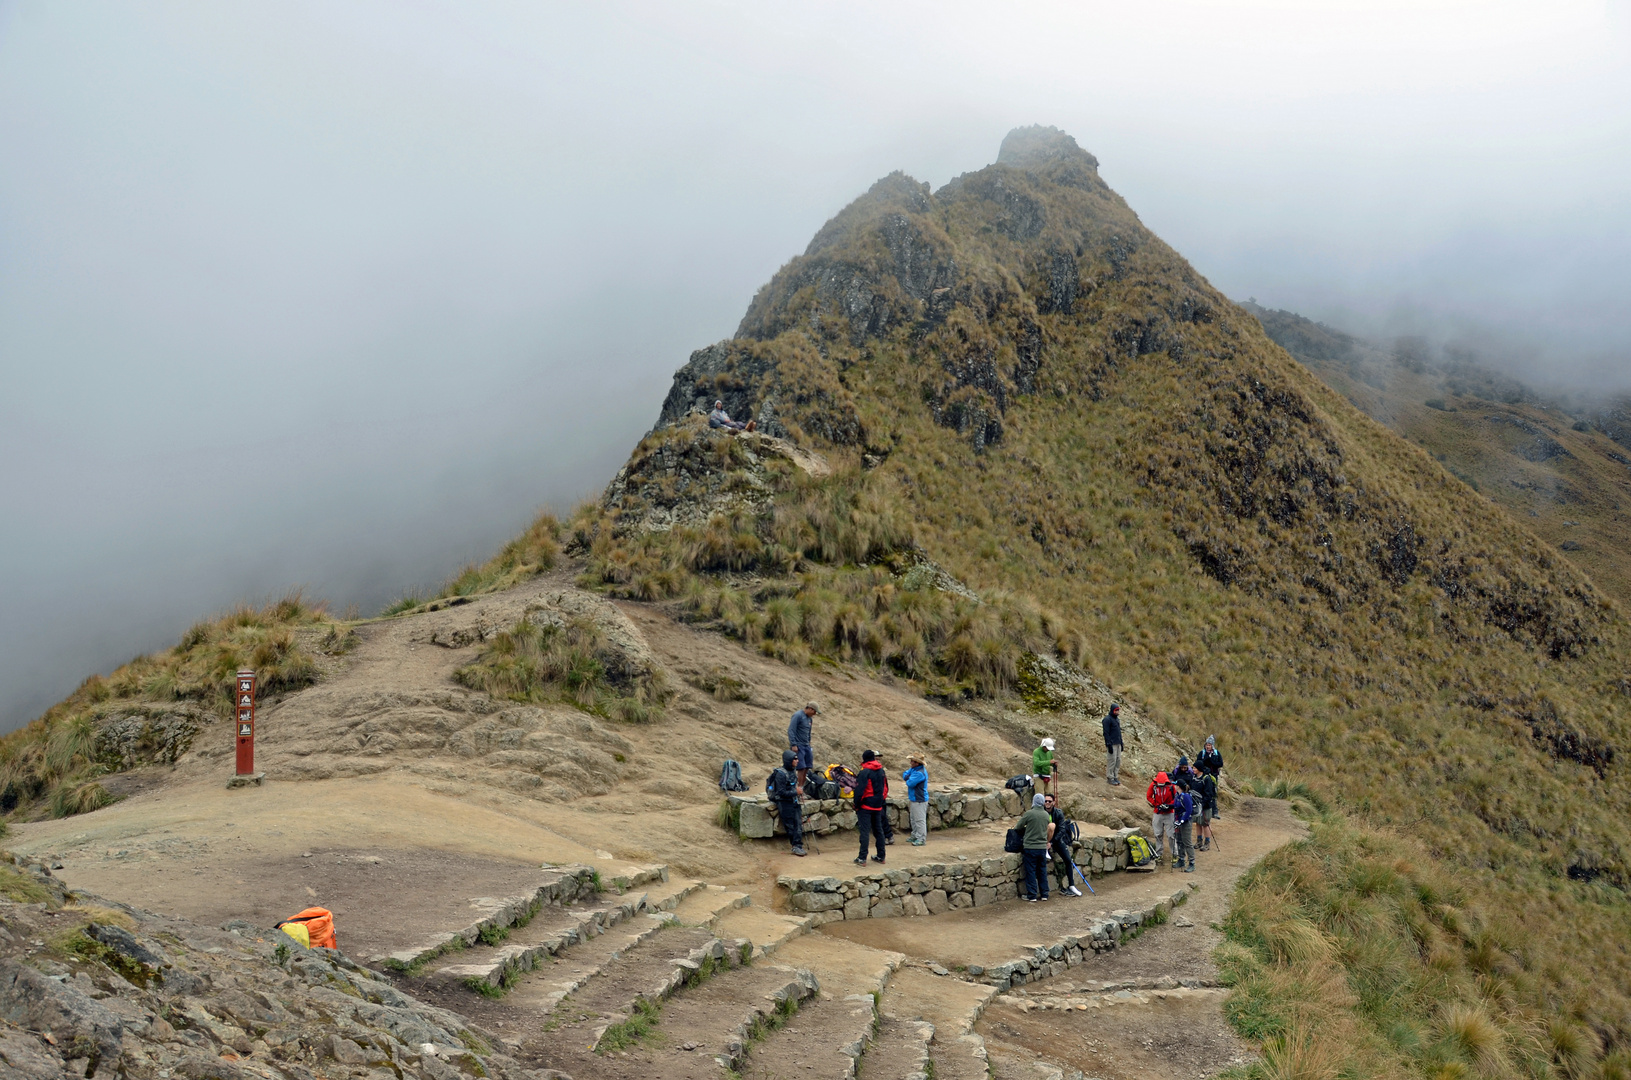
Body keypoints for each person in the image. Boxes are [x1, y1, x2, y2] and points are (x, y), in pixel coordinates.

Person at [1043, 792, 1084, 896]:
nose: (1047, 803)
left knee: (1068, 860)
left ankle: (1071, 885)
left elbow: (1061, 830)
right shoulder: (1041, 811)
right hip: (1042, 840)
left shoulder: (1058, 813)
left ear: (1054, 802)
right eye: (1045, 801)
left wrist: (1052, 842)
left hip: (1056, 840)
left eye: (1049, 801)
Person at [768, 750, 807, 856]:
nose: (797, 761)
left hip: (794, 801)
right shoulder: (781, 774)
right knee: (790, 825)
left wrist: (797, 792)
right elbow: (780, 792)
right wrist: (796, 792)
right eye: (795, 759)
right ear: (789, 760)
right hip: (784, 803)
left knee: (798, 824)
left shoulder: (792, 771)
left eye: (797, 758)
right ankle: (795, 846)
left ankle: (798, 845)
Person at [854, 750, 889, 865]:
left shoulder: (865, 772)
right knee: (878, 830)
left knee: (864, 831)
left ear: (864, 758)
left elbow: (860, 790)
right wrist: (881, 801)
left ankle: (862, 858)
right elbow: (885, 788)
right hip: (878, 805)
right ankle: (881, 856)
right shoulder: (881, 771)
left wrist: (857, 804)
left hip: (866, 805)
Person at [1019, 794, 1055, 901]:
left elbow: (1018, 826)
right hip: (1041, 848)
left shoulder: (1029, 814)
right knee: (1042, 871)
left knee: (1031, 871)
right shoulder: (1046, 815)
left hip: (1030, 847)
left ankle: (1032, 895)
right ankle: (1044, 894)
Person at [1146, 770, 1178, 868]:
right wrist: (1156, 804)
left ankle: (1175, 854)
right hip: (1158, 812)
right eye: (1159, 784)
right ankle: (1159, 854)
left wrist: (1168, 805)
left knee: (1171, 835)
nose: (1161, 786)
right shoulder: (1154, 785)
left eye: (1162, 785)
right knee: (1157, 834)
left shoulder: (1171, 787)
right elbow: (1148, 796)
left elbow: (1176, 798)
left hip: (1169, 813)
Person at [787, 703, 818, 794]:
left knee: (807, 767)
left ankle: (802, 788)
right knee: (801, 767)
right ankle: (798, 789)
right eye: (814, 711)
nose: (815, 714)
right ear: (810, 709)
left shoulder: (809, 719)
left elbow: (808, 732)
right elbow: (791, 730)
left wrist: (809, 742)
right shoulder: (798, 715)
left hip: (806, 746)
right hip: (798, 745)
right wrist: (793, 744)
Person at [903, 754, 929, 846]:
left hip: (919, 799)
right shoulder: (915, 770)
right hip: (914, 798)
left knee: (919, 820)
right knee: (913, 819)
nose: (910, 762)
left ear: (917, 763)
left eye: (912, 761)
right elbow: (905, 774)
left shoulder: (919, 773)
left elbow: (910, 783)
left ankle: (921, 838)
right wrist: (908, 777)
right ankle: (915, 835)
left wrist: (908, 777)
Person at [1172, 776, 1196, 873]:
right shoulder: (1177, 795)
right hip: (1178, 821)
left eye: (1175, 785)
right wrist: (1167, 806)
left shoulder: (1185, 796)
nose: (1174, 786)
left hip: (1185, 822)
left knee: (1187, 842)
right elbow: (1175, 806)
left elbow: (1189, 810)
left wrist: (1182, 820)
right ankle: (1181, 859)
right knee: (1179, 840)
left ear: (1178, 787)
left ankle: (1192, 863)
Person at [1197, 735, 1224, 818]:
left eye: (1209, 745)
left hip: (1213, 776)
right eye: (1206, 745)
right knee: (1202, 791)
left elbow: (1221, 764)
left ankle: (1214, 811)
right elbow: (1197, 763)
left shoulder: (1216, 753)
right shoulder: (1202, 753)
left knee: (1213, 792)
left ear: (1212, 745)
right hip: (1203, 775)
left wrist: (1212, 762)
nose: (1207, 747)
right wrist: (1204, 761)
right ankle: (1200, 809)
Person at [1196, 768, 1218, 851]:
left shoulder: (1207, 779)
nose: (1193, 769)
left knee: (1206, 824)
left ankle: (1207, 843)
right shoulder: (1196, 778)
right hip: (1199, 805)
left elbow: (1209, 794)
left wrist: (1203, 803)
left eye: (1195, 768)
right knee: (1198, 822)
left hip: (1206, 805)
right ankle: (1199, 841)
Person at [1103, 704, 1124, 786]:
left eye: (1118, 710)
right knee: (1112, 761)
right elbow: (1106, 733)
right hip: (1112, 744)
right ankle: (1110, 777)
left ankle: (1115, 776)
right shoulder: (1107, 720)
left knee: (1118, 761)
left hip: (1118, 743)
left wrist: (1121, 743)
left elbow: (1119, 732)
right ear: (1112, 710)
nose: (1117, 712)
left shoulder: (1117, 720)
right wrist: (1108, 744)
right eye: (1116, 710)